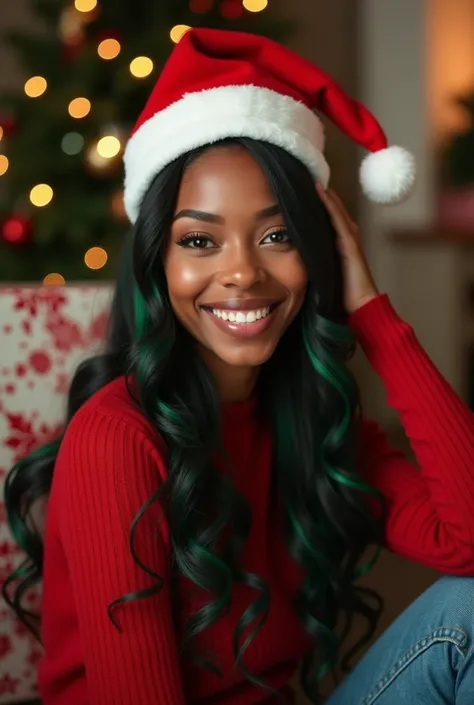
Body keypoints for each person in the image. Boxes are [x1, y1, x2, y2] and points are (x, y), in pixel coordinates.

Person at [3, 27, 474, 705]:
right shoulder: (118, 440)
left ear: (320, 251)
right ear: (157, 266)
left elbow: (466, 542)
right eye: (200, 240)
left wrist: (370, 308)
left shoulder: (310, 418)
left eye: (277, 235)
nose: (243, 272)